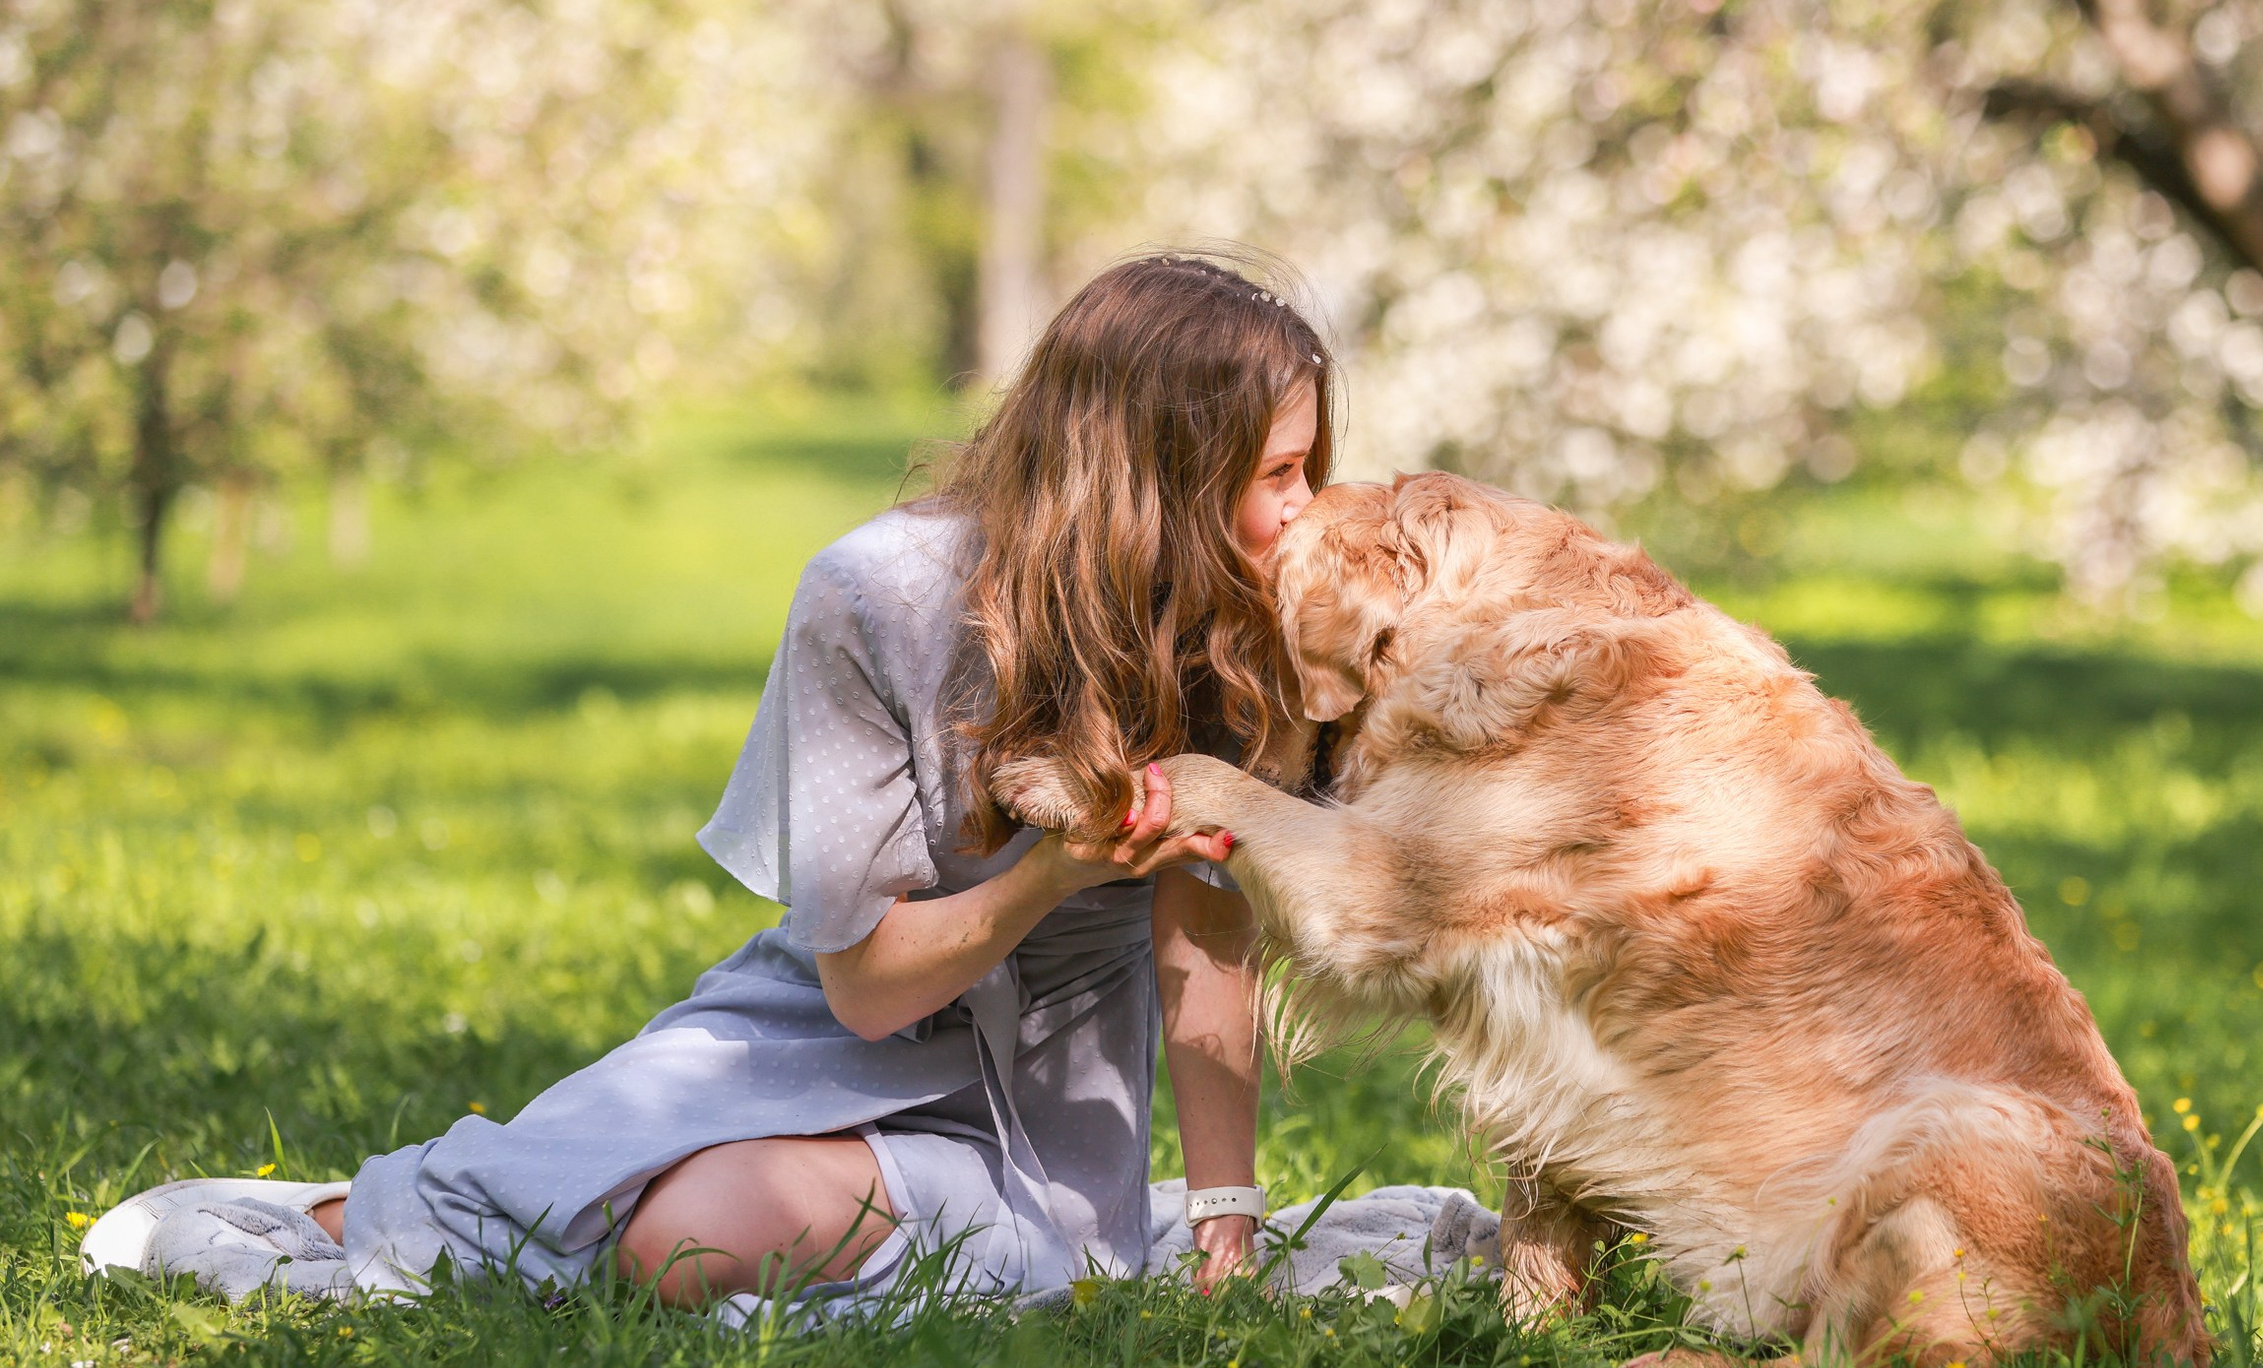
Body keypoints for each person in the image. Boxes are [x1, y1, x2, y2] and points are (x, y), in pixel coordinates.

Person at [83, 252, 1332, 1309]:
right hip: (824, 1015)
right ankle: (349, 1208)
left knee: (687, 1232)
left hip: (1044, 1103)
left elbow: (1207, 932)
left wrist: (1225, 1209)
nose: (1309, 508)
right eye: (1278, 475)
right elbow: (863, 992)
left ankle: (594, 1197)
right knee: (525, 1190)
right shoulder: (879, 596)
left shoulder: (1246, 639)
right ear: (1156, 474)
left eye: (1307, 468)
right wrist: (1054, 871)